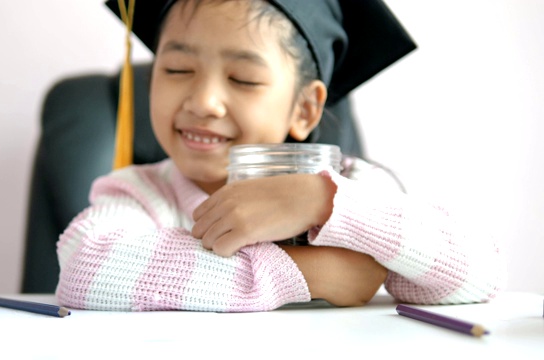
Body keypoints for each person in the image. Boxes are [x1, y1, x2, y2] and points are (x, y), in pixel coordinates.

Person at [55, 0, 506, 312]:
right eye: (177, 70)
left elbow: (479, 273)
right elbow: (86, 267)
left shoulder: (356, 186)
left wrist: (325, 203)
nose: (203, 101)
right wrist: (314, 273)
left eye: (244, 78)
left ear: (305, 107)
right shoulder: (142, 191)